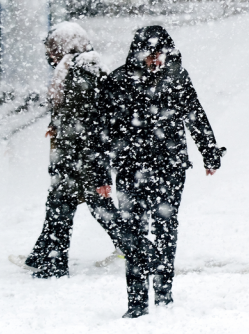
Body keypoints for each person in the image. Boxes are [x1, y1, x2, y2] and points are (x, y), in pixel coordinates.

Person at [93, 25, 224, 318]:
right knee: (132, 229)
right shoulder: (118, 81)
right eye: (151, 54)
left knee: (167, 226)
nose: (156, 60)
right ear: (138, 53)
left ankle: (164, 293)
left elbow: (195, 115)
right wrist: (101, 174)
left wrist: (210, 153)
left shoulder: (177, 77)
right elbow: (101, 130)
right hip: (130, 167)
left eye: (160, 54)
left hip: (170, 166)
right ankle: (137, 301)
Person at [10, 22, 124, 278]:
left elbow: (85, 119)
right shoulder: (75, 68)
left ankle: (55, 263)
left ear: (66, 45)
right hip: (78, 156)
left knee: (75, 206)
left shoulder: (79, 71)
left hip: (80, 158)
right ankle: (43, 258)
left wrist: (67, 137)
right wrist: (57, 125)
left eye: (52, 48)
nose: (49, 55)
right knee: (64, 207)